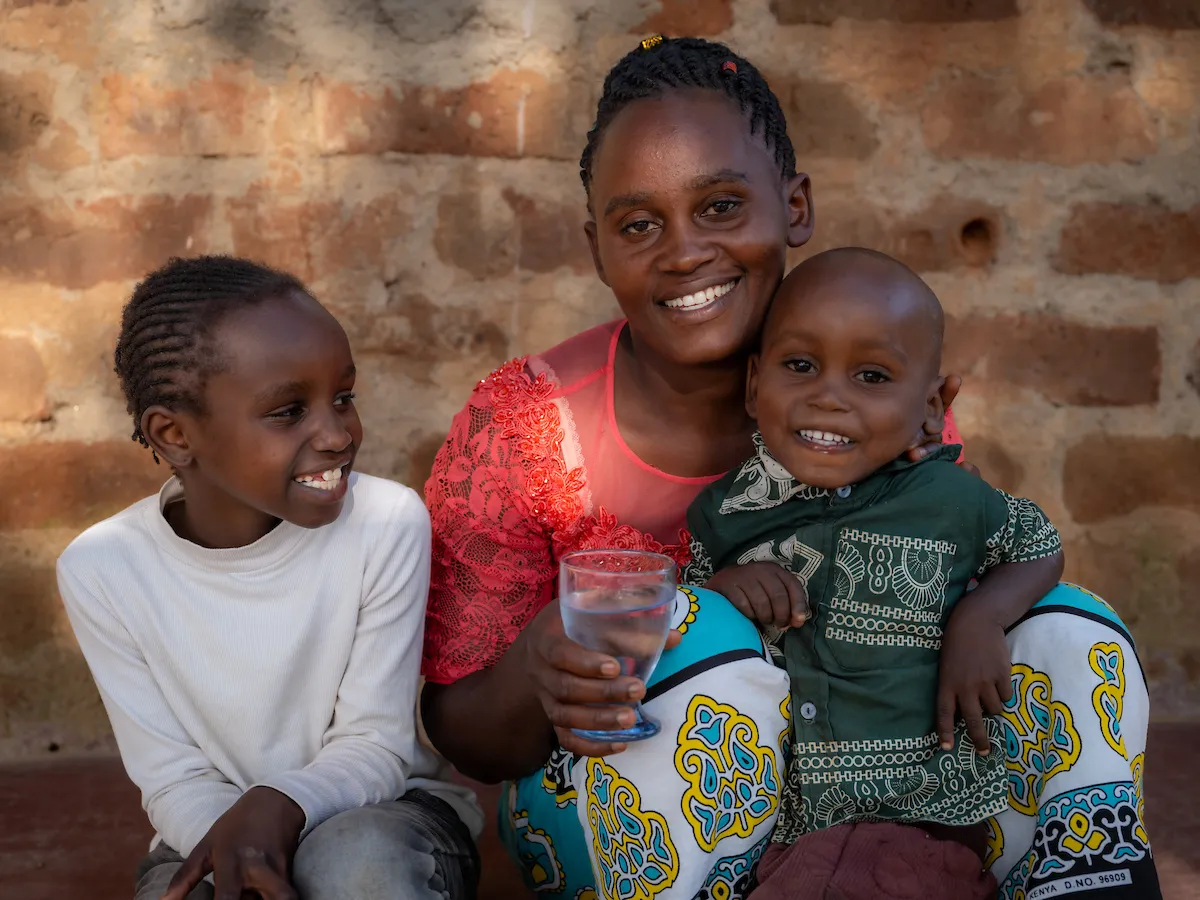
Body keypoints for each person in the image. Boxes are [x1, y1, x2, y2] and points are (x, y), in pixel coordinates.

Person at [420, 35, 1159, 900]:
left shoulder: (877, 389)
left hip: (887, 797)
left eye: (722, 206)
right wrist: (537, 669)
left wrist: (982, 619)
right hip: (638, 824)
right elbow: (462, 733)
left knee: (1068, 627)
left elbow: (969, 562)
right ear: (596, 248)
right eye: (638, 224)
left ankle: (1079, 879)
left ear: (795, 207)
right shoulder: (521, 429)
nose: (685, 251)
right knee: (702, 639)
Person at [56, 257, 481, 900]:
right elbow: (172, 779)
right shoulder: (102, 571)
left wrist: (281, 807)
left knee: (352, 864)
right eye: (288, 411)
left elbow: (376, 745)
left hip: (387, 814)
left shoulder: (386, 522)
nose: (337, 435)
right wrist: (246, 846)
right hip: (206, 828)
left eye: (343, 398)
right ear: (173, 435)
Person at [684, 247, 1064, 899]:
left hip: (923, 820)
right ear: (754, 384)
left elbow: (1040, 545)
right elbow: (680, 634)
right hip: (770, 829)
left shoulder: (949, 500)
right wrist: (718, 599)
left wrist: (981, 617)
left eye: (872, 376)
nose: (828, 396)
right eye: (800, 365)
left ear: (932, 405)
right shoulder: (724, 515)